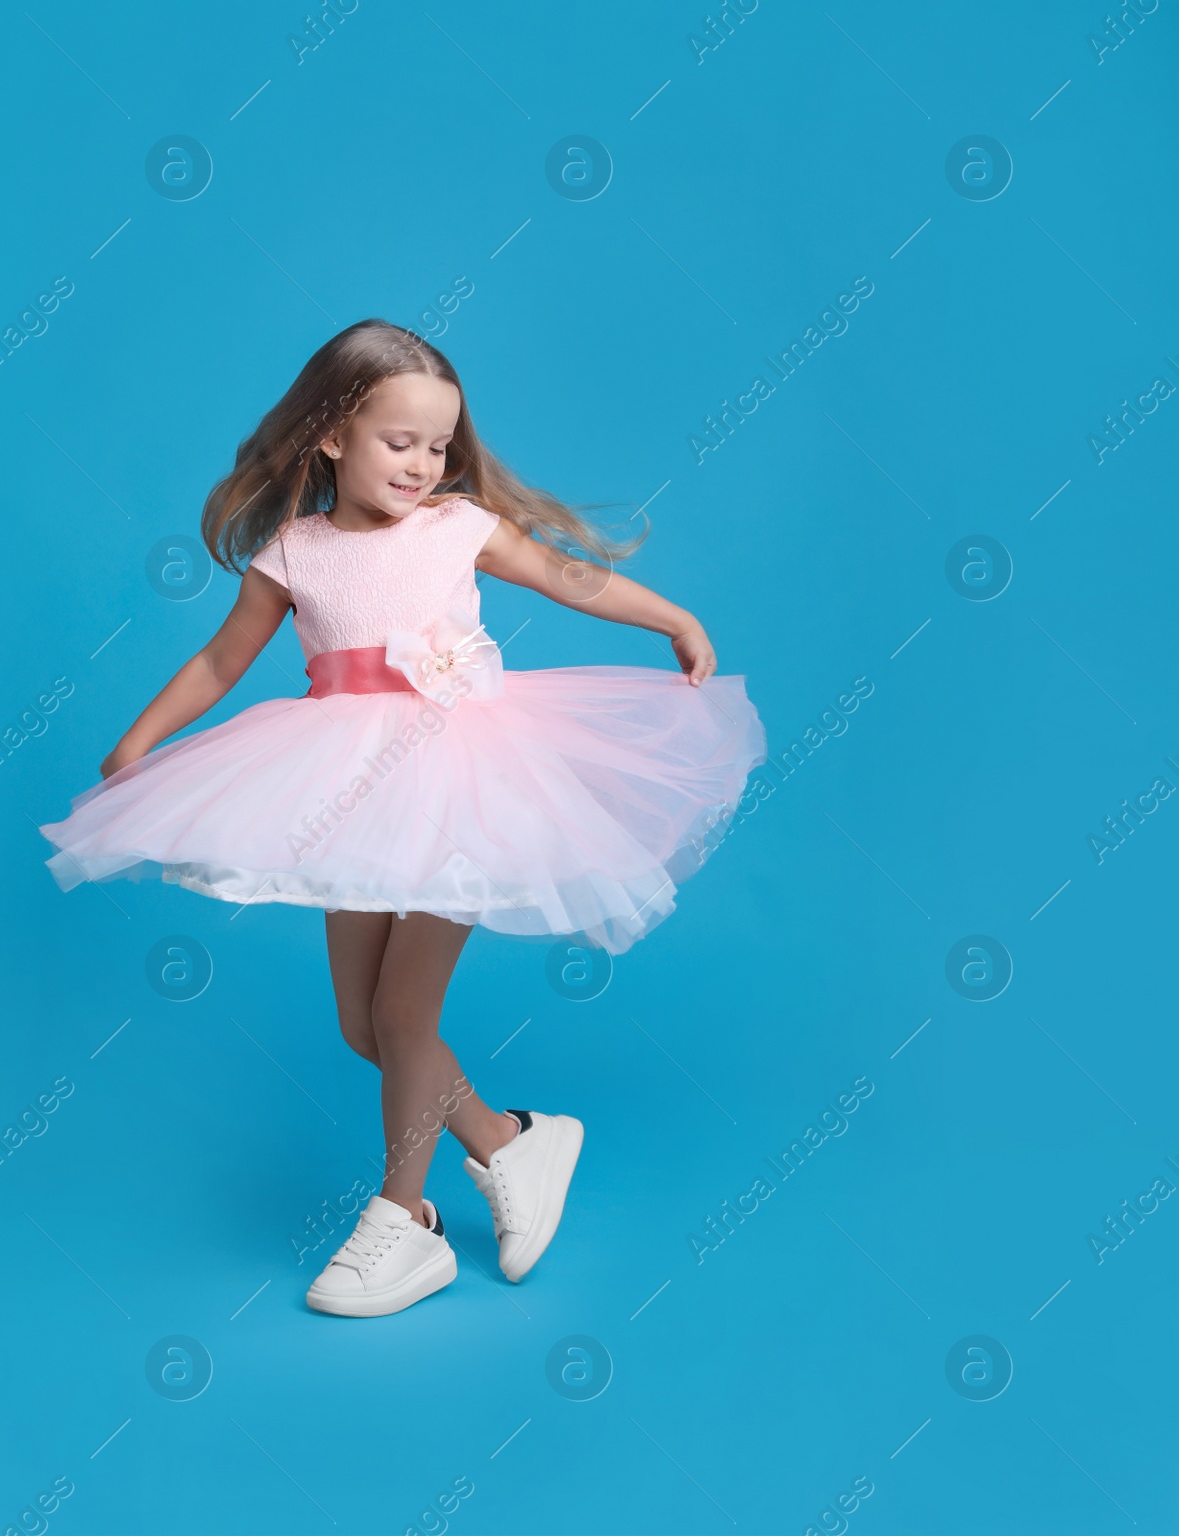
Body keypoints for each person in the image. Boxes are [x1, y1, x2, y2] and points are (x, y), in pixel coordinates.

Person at [39, 320, 765, 1317]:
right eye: (400, 442)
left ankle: (402, 1218)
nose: (424, 464)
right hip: (344, 785)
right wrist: (137, 743)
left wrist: (672, 617)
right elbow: (220, 661)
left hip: (464, 775)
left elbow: (569, 575)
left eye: (439, 445)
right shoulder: (293, 551)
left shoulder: (459, 526)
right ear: (332, 435)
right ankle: (512, 1142)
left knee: (400, 1016)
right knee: (358, 1025)